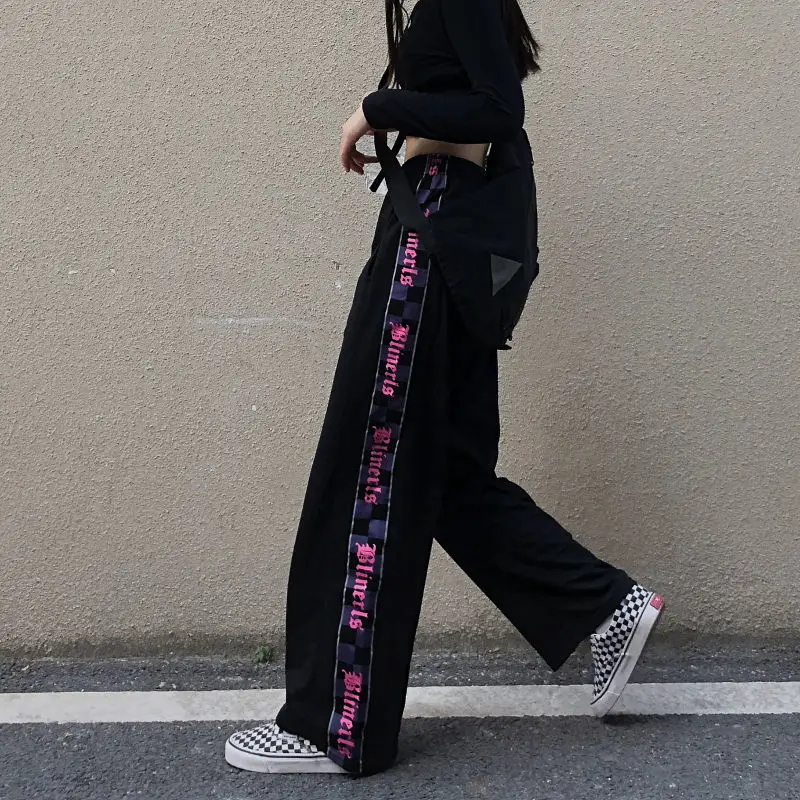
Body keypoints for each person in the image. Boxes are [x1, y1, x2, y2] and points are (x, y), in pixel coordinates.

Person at [224, 0, 664, 778]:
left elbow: (498, 109)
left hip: (429, 242)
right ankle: (603, 606)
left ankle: (334, 726)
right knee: (451, 477)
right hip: (445, 242)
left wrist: (377, 108)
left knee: (364, 472)